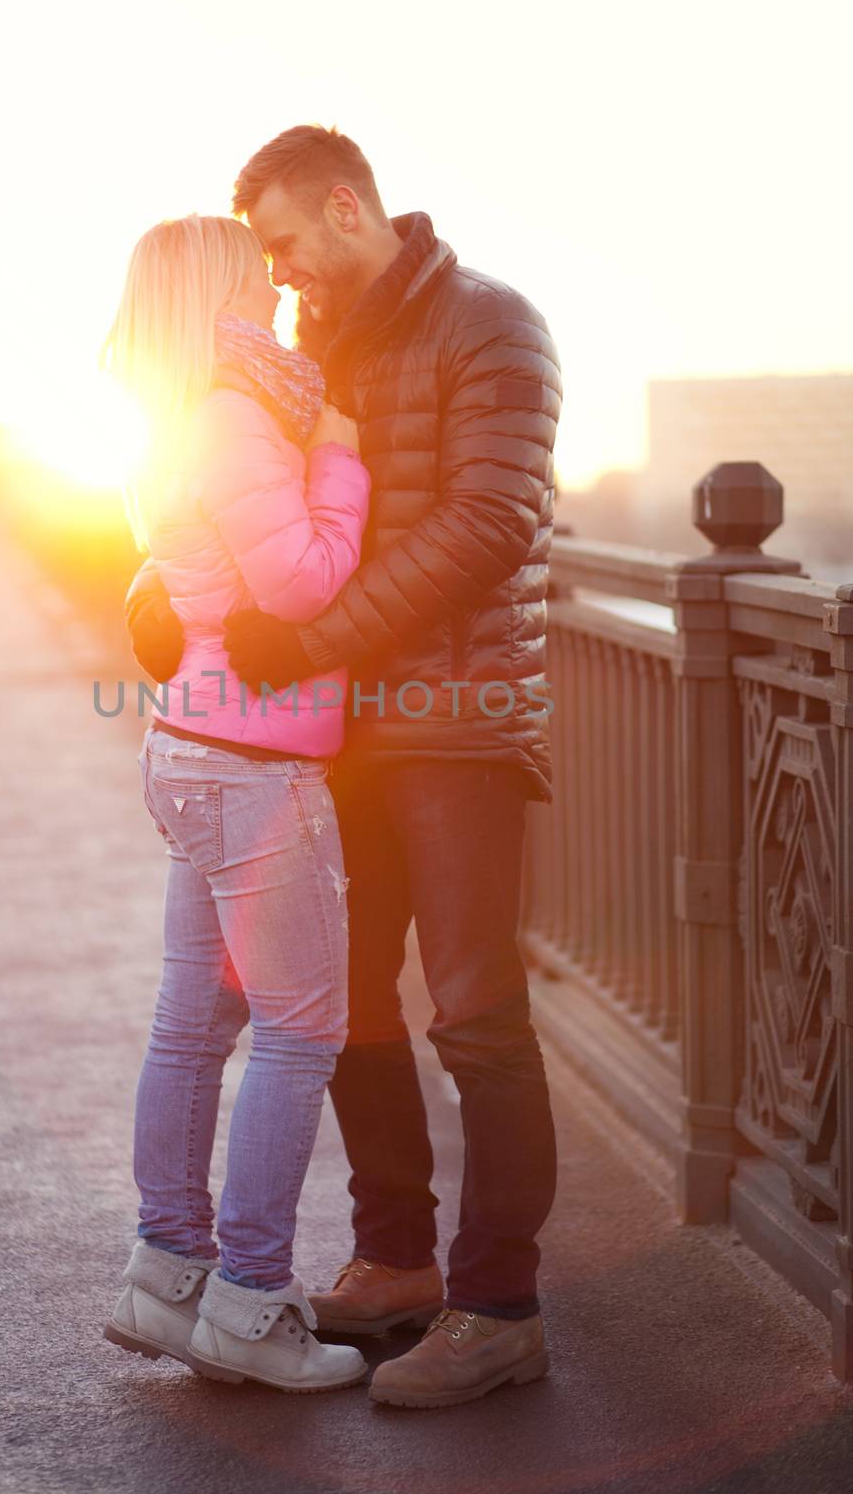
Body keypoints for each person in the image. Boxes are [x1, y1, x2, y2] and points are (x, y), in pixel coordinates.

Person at [126, 127, 562, 1411]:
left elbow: (491, 522)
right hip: (334, 732)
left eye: (283, 245)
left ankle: (497, 1306)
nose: (279, 274)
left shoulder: (494, 323)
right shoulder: (312, 353)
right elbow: (243, 496)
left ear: (344, 204)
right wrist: (159, 589)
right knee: (345, 1007)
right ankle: (392, 1262)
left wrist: (309, 635)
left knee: (475, 1013)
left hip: (460, 722)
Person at [102, 212, 372, 1394]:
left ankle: (166, 1281)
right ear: (212, 291)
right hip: (255, 763)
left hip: (193, 742)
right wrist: (341, 455)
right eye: (251, 271)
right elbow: (303, 577)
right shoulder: (230, 418)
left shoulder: (171, 418)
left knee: (191, 1021)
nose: (271, 287)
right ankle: (251, 1304)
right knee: (300, 1030)